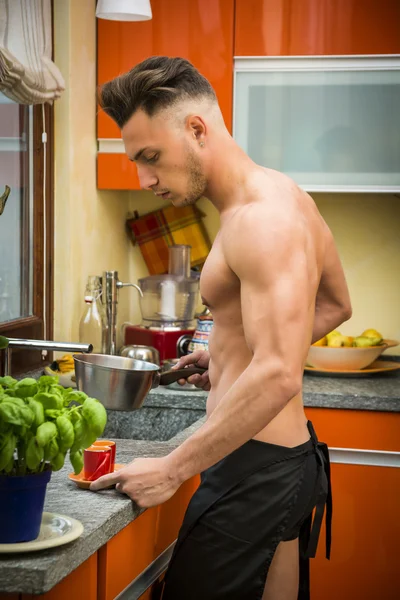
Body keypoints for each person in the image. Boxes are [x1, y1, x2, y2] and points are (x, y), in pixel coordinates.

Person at [90, 56, 352, 599]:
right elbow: (334, 305)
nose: (144, 178)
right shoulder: (285, 196)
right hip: (278, 461)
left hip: (255, 470)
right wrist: (233, 358)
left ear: (197, 129)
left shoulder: (260, 221)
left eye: (151, 157)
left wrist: (171, 469)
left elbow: (278, 373)